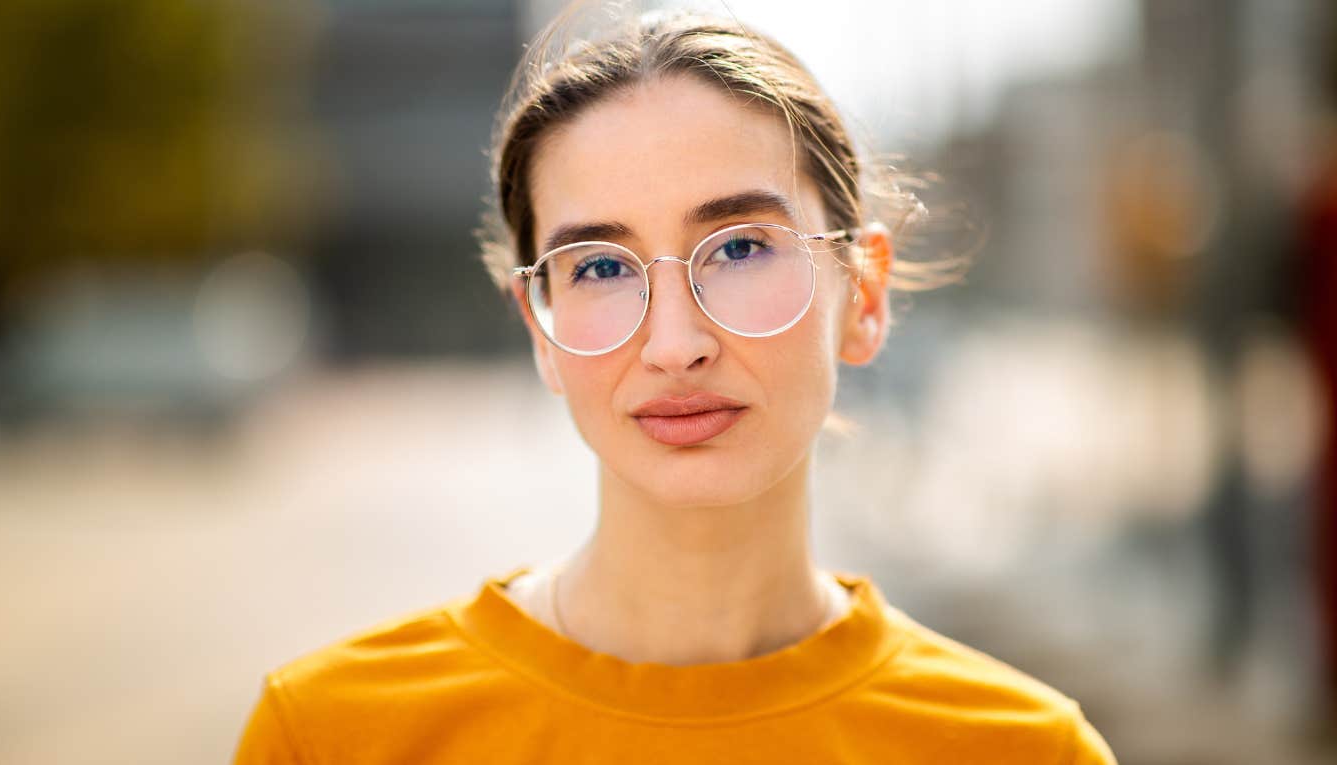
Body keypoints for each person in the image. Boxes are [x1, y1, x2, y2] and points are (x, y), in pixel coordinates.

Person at [233, 4, 1118, 763]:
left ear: (864, 296)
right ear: (540, 329)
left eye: (740, 248)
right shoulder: (333, 735)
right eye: (599, 267)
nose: (674, 344)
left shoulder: (1026, 749)